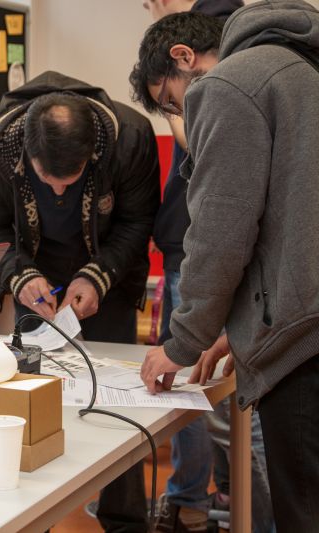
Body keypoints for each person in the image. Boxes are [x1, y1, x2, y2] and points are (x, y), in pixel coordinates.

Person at [131, 3, 319, 531]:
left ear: (184, 57)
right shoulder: (298, 63)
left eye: (172, 102)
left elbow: (221, 230)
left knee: (303, 509)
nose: (181, 117)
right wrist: (233, 331)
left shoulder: (229, 86)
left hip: (305, 341)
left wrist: (182, 340)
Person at [0, 71, 160, 532]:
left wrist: (99, 276)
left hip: (108, 278)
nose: (58, 192)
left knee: (119, 405)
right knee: (35, 401)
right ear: (27, 156)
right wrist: (19, 276)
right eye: (47, 181)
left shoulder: (129, 138)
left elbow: (137, 223)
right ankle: (37, 516)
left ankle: (125, 520)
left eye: (69, 181)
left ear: (92, 155)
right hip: (35, 280)